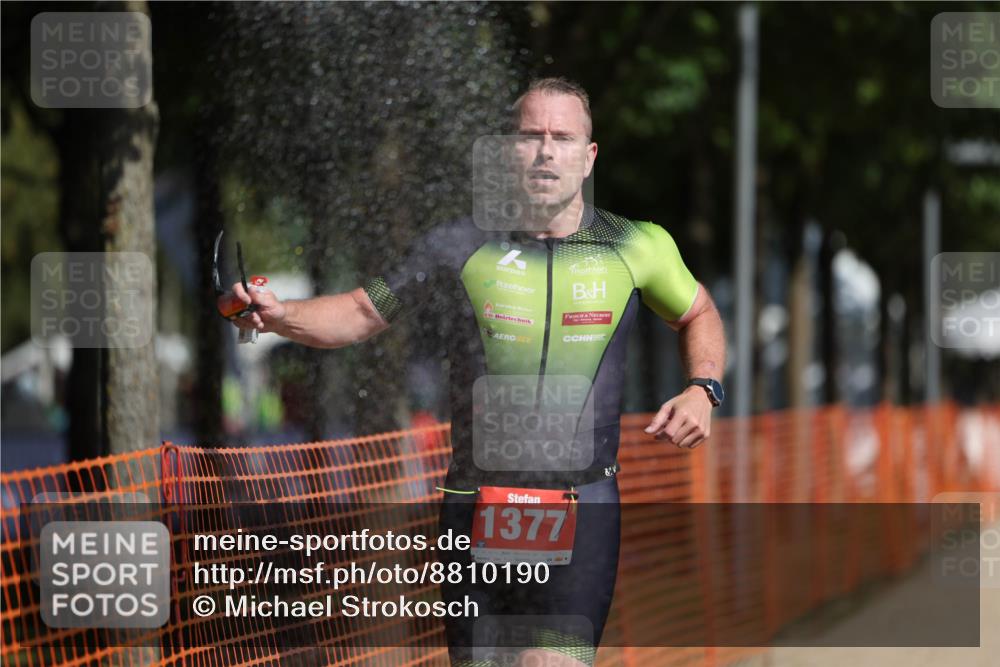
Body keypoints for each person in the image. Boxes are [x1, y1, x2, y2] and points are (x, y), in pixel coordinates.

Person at [223, 77, 726, 667]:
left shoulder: (636, 244)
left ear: (589, 157)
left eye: (562, 137)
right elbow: (359, 313)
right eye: (529, 136)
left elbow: (699, 312)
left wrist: (703, 388)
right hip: (474, 503)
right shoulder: (458, 245)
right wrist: (279, 315)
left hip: (583, 500)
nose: (545, 150)